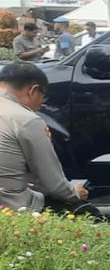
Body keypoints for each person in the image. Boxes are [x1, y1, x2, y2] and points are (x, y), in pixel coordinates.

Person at [0, 62, 88, 212]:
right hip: (13, 209)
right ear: (33, 90)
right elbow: (54, 185)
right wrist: (75, 193)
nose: (42, 104)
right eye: (43, 95)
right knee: (87, 212)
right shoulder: (26, 119)